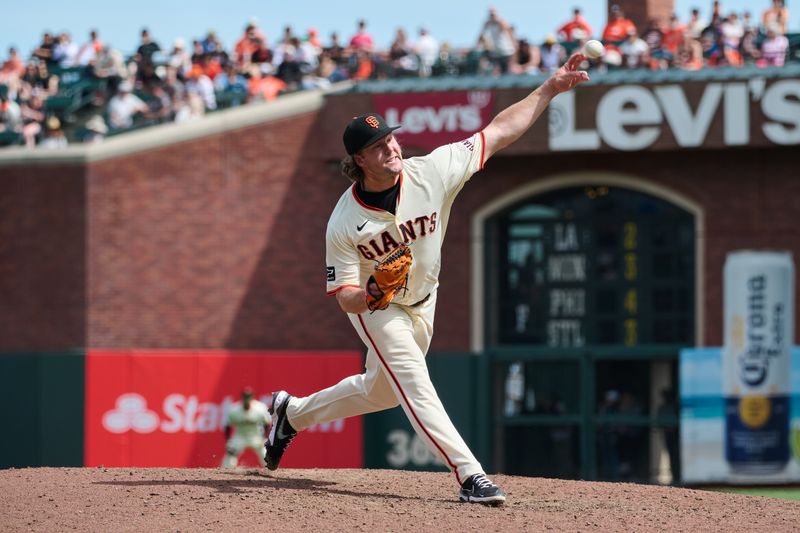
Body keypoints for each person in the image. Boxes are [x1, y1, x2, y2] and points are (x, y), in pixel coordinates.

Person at [264, 52, 590, 506]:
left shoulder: (431, 171)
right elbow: (346, 298)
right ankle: (469, 475)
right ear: (359, 159)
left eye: (392, 140)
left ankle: (291, 414)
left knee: (381, 392)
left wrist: (549, 89)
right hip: (379, 308)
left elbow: (496, 133)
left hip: (424, 300)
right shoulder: (344, 222)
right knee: (415, 381)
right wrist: (374, 291)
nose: (392, 148)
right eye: (379, 147)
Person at [221, 387, 271, 468]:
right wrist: (228, 441)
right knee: (230, 455)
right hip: (240, 436)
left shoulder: (260, 408)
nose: (247, 398)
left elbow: (267, 424)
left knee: (266, 455)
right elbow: (227, 426)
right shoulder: (234, 409)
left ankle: (271, 472)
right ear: (242, 397)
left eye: (248, 396)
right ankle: (225, 473)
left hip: (256, 436)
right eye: (245, 396)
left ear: (252, 397)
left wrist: (265, 438)